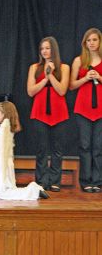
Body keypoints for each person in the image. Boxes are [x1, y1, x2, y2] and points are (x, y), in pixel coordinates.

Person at [27, 36, 70, 192]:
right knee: (41, 149)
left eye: (47, 48)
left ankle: (54, 181)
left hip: (59, 112)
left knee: (57, 150)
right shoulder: (34, 67)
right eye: (42, 48)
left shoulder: (64, 67)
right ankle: (41, 181)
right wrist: (45, 78)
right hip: (39, 112)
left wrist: (51, 74)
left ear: (54, 49)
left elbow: (62, 90)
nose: (44, 51)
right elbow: (31, 91)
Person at [0, 101, 49, 200]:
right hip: (6, 164)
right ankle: (34, 189)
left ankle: (33, 190)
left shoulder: (2, 131)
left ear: (4, 114)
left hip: (2, 166)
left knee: (3, 193)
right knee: (9, 189)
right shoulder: (6, 129)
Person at [69, 27, 102, 193]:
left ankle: (97, 181)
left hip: (100, 111)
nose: (91, 43)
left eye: (94, 40)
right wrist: (85, 78)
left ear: (99, 41)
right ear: (85, 43)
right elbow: (72, 85)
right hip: (83, 110)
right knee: (85, 146)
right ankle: (86, 181)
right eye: (88, 40)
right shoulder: (79, 60)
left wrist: (99, 77)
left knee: (98, 147)